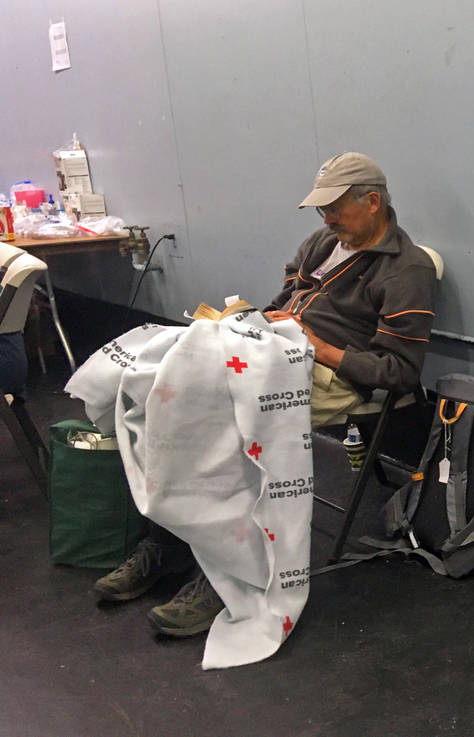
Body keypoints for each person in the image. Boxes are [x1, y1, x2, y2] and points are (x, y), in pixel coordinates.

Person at [93, 152, 438, 636]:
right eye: (322, 210)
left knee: (218, 421)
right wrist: (248, 323)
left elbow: (400, 372)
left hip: (335, 374)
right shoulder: (323, 242)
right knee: (158, 391)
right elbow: (282, 304)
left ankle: (225, 573)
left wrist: (319, 348)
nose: (327, 219)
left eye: (334, 208)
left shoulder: (407, 271)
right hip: (276, 352)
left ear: (374, 201)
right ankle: (168, 544)